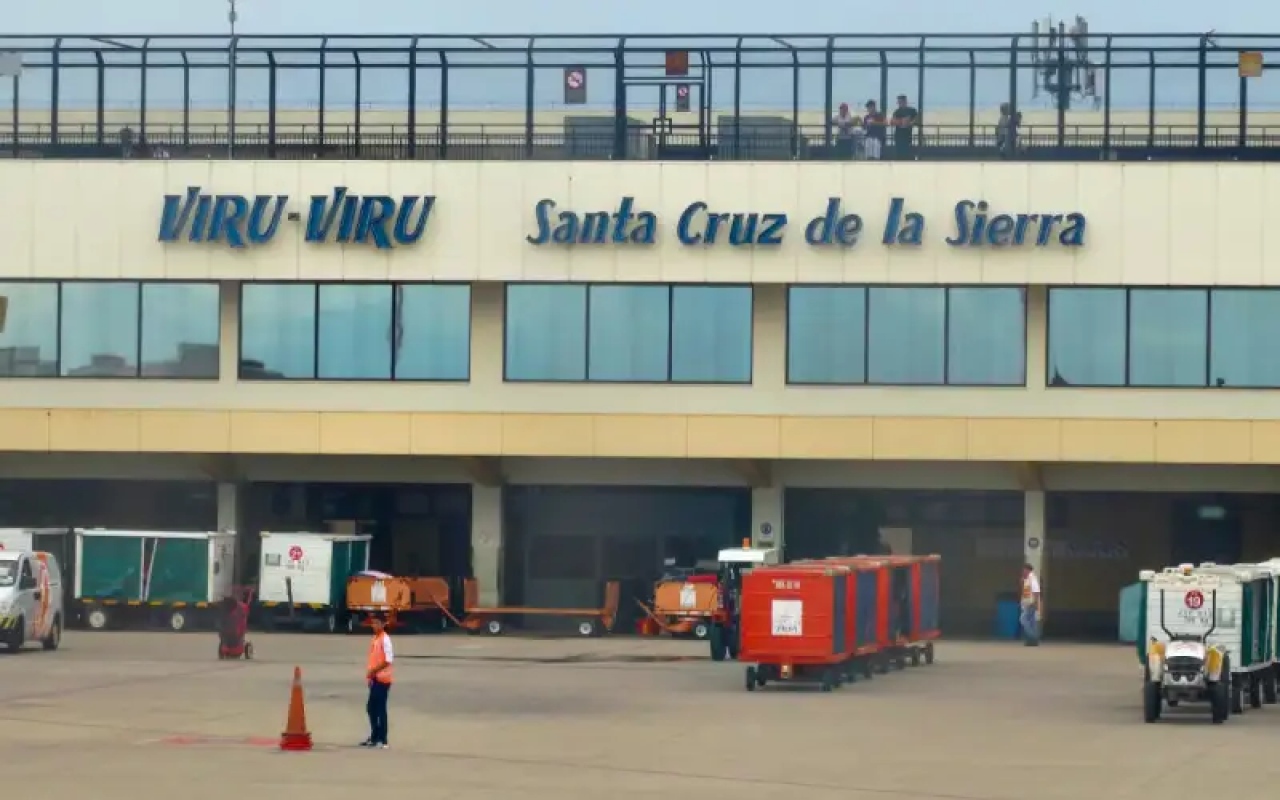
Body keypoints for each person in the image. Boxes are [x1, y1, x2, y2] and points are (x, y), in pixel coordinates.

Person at [361, 613, 394, 748]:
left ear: (383, 624)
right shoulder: (375, 638)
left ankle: (383, 739)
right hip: (375, 678)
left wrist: (374, 671)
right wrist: (370, 676)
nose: (374, 626)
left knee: (379, 709)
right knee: (371, 708)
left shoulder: (385, 639)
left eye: (376, 623)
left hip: (383, 679)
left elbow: (388, 660)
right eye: (373, 623)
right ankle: (375, 736)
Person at [1020, 562, 1042, 646]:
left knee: (1023, 619)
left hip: (1031, 604)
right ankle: (1033, 640)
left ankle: (1032, 637)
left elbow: (1036, 591)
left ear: (1028, 570)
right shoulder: (1028, 579)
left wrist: (1035, 603)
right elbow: (1025, 592)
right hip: (1028, 604)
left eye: (1024, 570)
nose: (1023, 572)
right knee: (1032, 622)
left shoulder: (1032, 578)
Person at [890, 94, 918, 159]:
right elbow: (892, 122)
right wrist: (900, 121)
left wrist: (910, 123)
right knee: (899, 153)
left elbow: (917, 119)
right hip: (898, 135)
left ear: (905, 101)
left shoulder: (912, 110)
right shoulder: (897, 111)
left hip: (907, 135)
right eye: (898, 102)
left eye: (901, 102)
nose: (899, 103)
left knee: (907, 152)